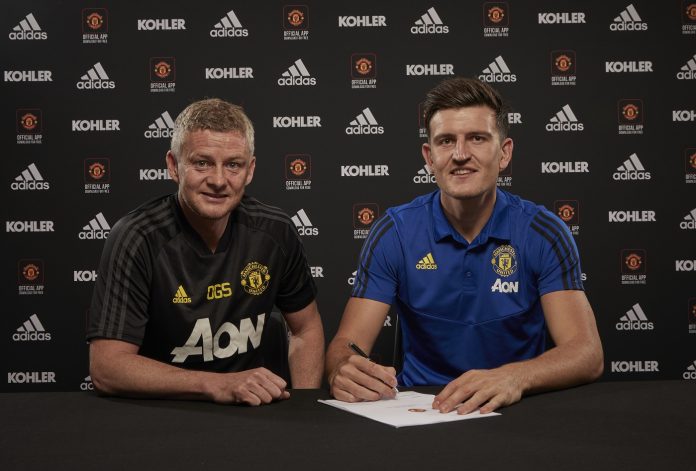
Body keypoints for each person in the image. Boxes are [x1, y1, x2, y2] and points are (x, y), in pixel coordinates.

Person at [326, 77, 603, 414]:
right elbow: (347, 344)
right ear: (429, 157)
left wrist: (513, 378)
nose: (460, 154)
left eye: (477, 138)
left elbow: (586, 353)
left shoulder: (543, 232)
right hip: (421, 410)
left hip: (514, 406)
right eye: (446, 141)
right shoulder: (395, 232)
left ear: (504, 153)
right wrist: (344, 368)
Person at [87, 99, 324, 405]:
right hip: (160, 413)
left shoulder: (275, 231)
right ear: (174, 166)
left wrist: (304, 406)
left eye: (233, 165)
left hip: (253, 412)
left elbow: (306, 327)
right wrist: (219, 385)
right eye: (202, 163)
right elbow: (107, 367)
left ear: (250, 170)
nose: (218, 180)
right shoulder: (136, 237)